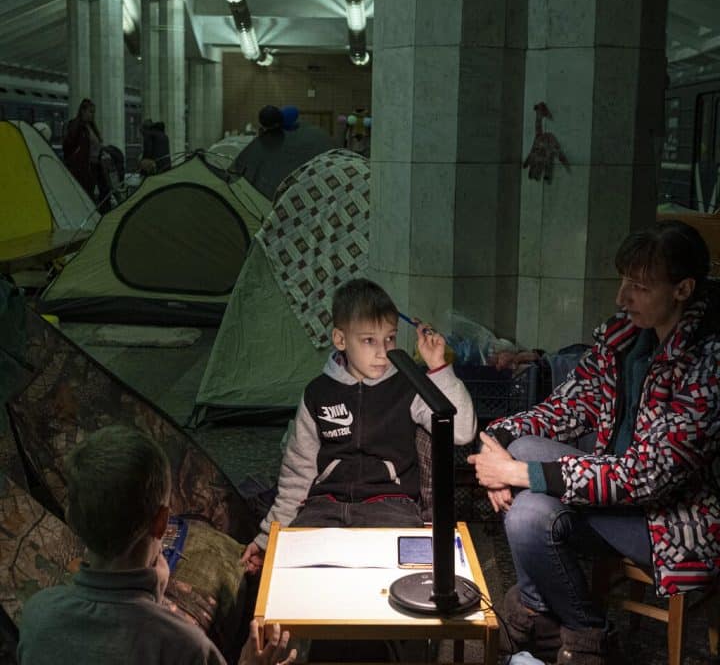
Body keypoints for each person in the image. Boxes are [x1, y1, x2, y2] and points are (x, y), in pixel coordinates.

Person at [468, 220, 720, 665]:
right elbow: (567, 407)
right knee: (526, 510)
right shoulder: (623, 338)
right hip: (610, 494)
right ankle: (587, 634)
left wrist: (514, 472)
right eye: (623, 282)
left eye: (639, 287)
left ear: (682, 289)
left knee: (525, 478)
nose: (622, 297)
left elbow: (647, 476)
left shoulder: (708, 361)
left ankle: (541, 624)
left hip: (670, 520)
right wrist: (498, 440)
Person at [242, 278, 477, 574]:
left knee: (393, 578)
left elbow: (462, 431)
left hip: (392, 506)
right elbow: (297, 473)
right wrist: (267, 539)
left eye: (390, 339)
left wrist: (438, 368)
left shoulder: (408, 384)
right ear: (341, 340)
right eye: (369, 341)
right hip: (324, 505)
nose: (383, 352)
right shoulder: (318, 393)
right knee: (297, 574)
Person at [17, 426, 296, 665]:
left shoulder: (37, 614)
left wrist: (152, 585)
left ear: (72, 519)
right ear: (163, 522)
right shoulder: (183, 644)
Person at [63, 98, 109, 212]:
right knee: (87, 194)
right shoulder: (76, 125)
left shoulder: (91, 127)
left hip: (96, 165)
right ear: (83, 111)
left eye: (94, 112)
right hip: (84, 167)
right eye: (90, 112)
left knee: (104, 191)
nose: (93, 115)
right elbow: (69, 145)